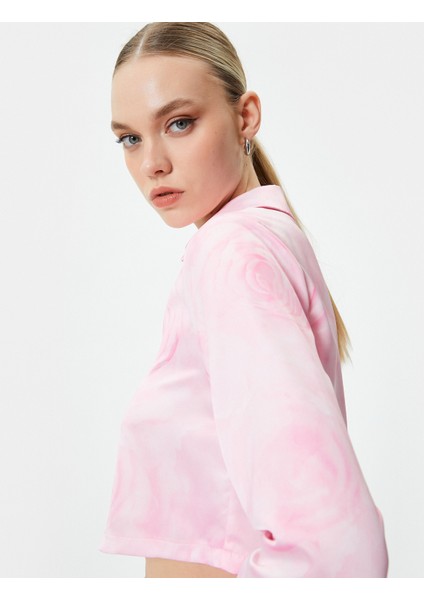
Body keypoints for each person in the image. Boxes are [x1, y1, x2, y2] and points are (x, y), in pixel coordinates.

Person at [99, 22, 389, 578]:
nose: (152, 162)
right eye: (129, 138)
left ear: (246, 116)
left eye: (179, 123)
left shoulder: (230, 252)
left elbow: (338, 546)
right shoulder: (265, 238)